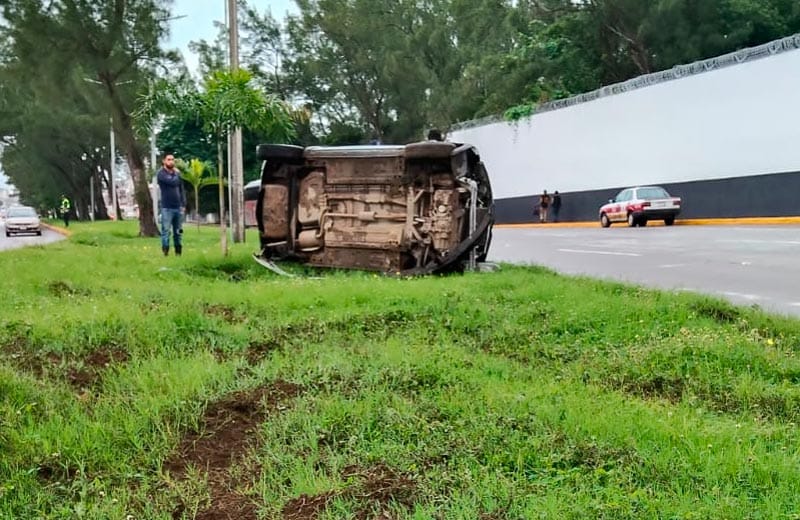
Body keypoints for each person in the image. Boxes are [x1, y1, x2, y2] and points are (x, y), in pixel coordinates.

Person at [157, 154, 186, 256]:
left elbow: (181, 189)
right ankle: (165, 252)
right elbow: (172, 182)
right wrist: (177, 174)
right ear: (164, 161)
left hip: (178, 207)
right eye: (169, 160)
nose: (171, 161)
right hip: (167, 207)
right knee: (166, 231)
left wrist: (183, 204)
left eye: (173, 160)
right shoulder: (161, 174)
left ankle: (178, 252)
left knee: (178, 232)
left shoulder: (176, 174)